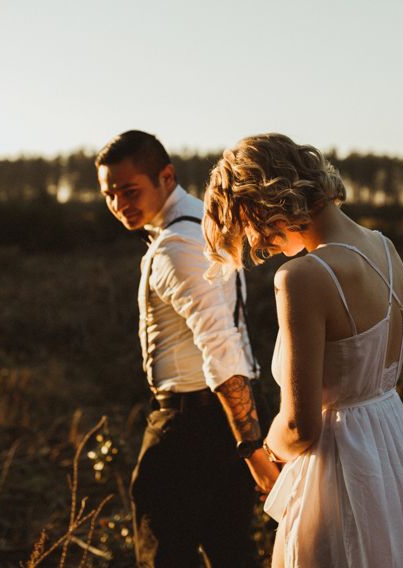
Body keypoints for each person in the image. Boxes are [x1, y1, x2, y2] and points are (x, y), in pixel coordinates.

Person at [203, 134, 403, 567]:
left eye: (248, 226)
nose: (259, 243)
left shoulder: (303, 276)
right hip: (391, 452)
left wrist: (265, 453)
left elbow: (300, 425)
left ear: (260, 204)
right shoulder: (385, 248)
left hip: (338, 471)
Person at [95, 130, 279, 568]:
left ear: (166, 176)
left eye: (129, 191)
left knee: (165, 553)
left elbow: (221, 343)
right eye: (109, 195)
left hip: (191, 424)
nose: (120, 204)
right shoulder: (202, 224)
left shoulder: (178, 246)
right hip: (222, 420)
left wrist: (251, 447)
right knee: (230, 548)